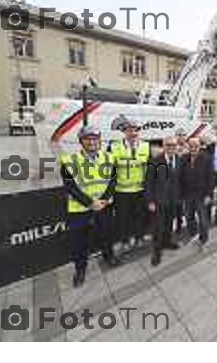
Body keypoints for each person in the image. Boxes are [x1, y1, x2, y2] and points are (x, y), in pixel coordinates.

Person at [60, 125, 119, 287]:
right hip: (80, 210)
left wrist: (104, 200)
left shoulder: (109, 157)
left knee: (106, 234)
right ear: (81, 141)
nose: (92, 142)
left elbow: (113, 181)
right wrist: (91, 203)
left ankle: (109, 256)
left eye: (95, 138)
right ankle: (80, 270)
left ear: (99, 140)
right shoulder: (68, 160)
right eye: (88, 139)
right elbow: (70, 187)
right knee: (79, 243)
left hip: (104, 206)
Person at [110, 120, 150, 252]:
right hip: (121, 191)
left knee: (140, 216)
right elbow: (109, 169)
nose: (133, 133)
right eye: (129, 130)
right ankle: (124, 241)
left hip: (140, 190)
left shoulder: (146, 146)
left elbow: (150, 168)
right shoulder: (114, 146)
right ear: (124, 131)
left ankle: (139, 238)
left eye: (136, 130)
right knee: (122, 218)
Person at [145, 137, 182, 266]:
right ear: (164, 146)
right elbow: (148, 182)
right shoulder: (154, 161)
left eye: (173, 145)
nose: (171, 147)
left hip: (173, 201)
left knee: (168, 224)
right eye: (168, 145)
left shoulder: (179, 159)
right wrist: (150, 201)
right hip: (158, 201)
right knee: (157, 228)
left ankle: (167, 242)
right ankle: (156, 252)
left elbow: (179, 180)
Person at [180, 137, 214, 249]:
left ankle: (203, 239)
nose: (193, 148)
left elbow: (211, 178)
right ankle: (193, 234)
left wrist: (209, 195)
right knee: (189, 217)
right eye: (191, 146)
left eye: (196, 146)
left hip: (202, 196)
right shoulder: (184, 158)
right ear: (188, 147)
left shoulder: (207, 159)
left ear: (200, 147)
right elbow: (180, 177)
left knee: (203, 220)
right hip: (187, 195)